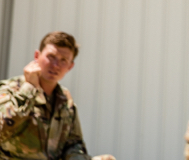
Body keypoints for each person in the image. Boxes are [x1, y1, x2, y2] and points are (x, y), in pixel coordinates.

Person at [0, 31, 115, 160]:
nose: (55, 65)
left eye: (63, 60)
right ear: (37, 56)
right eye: (51, 56)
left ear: (70, 66)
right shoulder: (10, 89)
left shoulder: (65, 99)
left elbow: (72, 145)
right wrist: (29, 89)